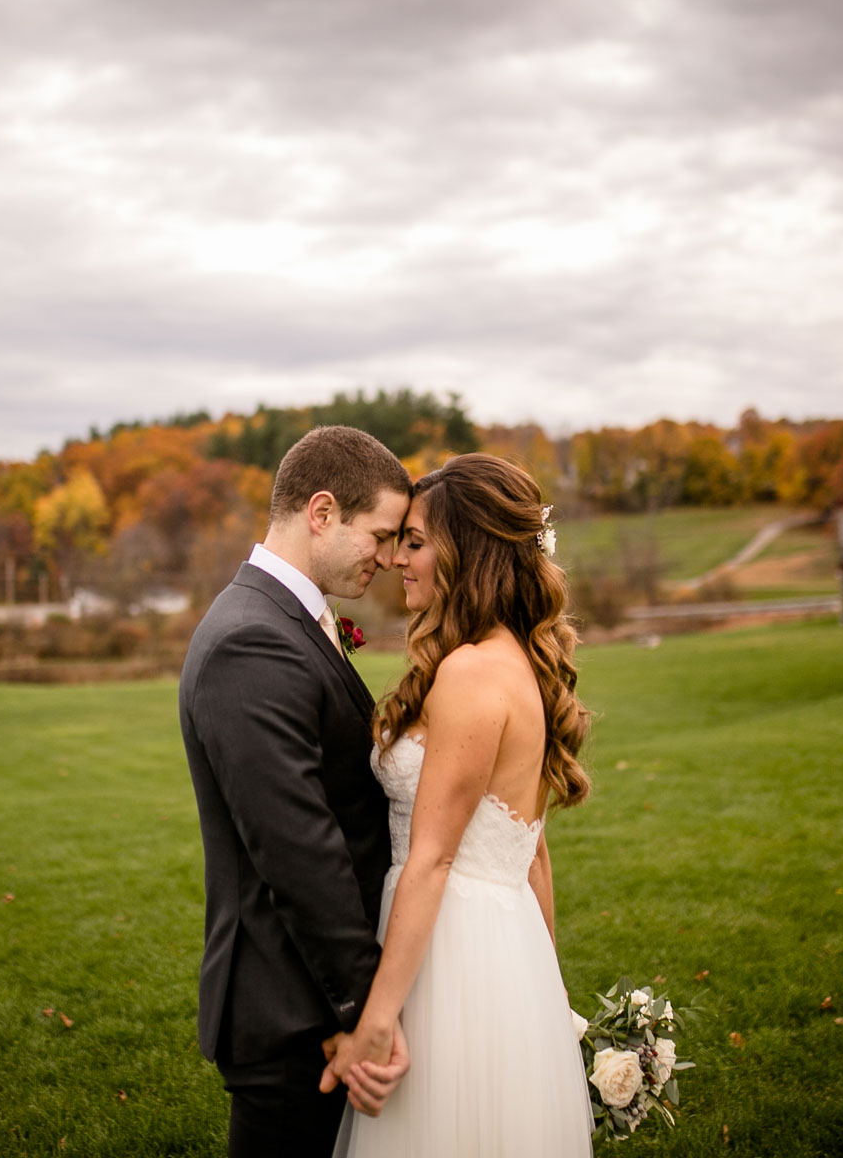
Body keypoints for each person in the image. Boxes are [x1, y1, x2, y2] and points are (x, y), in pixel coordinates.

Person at [324, 453, 595, 1157]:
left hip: (450, 950)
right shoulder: (513, 662)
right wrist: (544, 987)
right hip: (498, 948)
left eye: (414, 542)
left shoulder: (473, 673)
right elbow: (531, 850)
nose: (397, 561)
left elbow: (435, 856)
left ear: (465, 551)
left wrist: (376, 1020)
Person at [179, 425, 416, 1158]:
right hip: (290, 1012)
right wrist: (359, 1011)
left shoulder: (287, 620)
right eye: (380, 534)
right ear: (321, 513)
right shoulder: (251, 640)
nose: (388, 556)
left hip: (309, 1001)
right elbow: (296, 848)